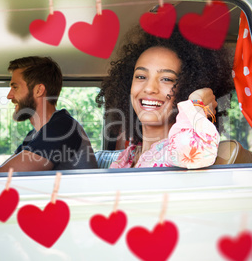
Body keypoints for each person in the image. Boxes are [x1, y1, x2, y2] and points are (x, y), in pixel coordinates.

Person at [96, 26, 234, 169]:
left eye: (166, 79)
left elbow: (190, 152)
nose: (149, 88)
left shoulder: (177, 152)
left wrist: (197, 103)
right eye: (141, 76)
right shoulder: (129, 155)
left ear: (189, 87)